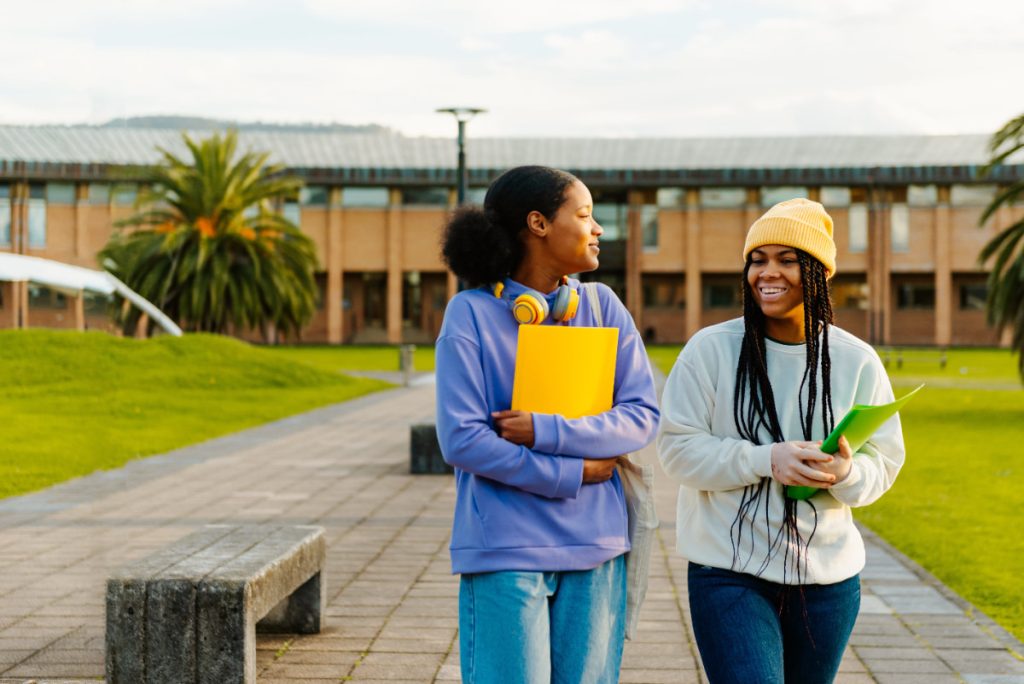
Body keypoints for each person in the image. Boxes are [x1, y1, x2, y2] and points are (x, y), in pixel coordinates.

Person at [657, 198, 906, 684]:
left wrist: (846, 473)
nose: (767, 273)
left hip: (827, 581)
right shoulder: (710, 350)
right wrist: (765, 459)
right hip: (728, 571)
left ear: (818, 272)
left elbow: (885, 463)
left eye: (787, 260)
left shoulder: (856, 360)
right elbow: (677, 451)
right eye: (757, 259)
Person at [435, 165, 659, 683]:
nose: (597, 227)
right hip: (504, 550)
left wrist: (547, 430)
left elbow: (641, 415)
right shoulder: (467, 315)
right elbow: (462, 440)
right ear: (538, 223)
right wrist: (572, 473)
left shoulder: (603, 306)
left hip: (597, 546)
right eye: (584, 215)